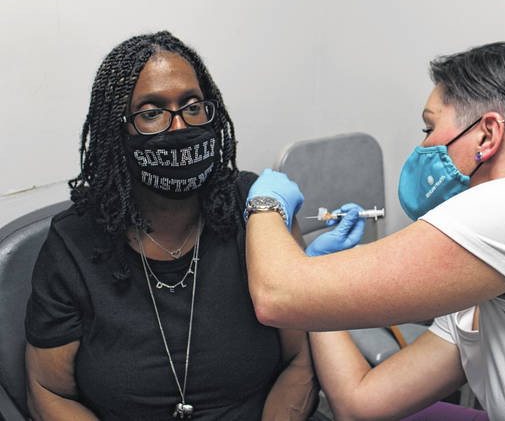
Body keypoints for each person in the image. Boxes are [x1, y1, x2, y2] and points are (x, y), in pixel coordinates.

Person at [243, 41, 505, 420]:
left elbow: (276, 296)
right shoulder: (483, 278)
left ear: (486, 135)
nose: (424, 148)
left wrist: (265, 201)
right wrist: (319, 269)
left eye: (428, 129)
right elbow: (360, 402)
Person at [24, 31, 318, 421]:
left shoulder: (257, 211)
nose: (180, 127)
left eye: (193, 106)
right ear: (117, 131)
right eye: (151, 113)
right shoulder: (75, 243)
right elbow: (48, 391)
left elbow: (300, 361)